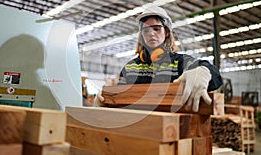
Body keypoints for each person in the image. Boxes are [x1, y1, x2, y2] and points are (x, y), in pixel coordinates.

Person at [94, 6, 223, 112]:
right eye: (146, 30)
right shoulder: (130, 67)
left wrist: (204, 71)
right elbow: (121, 97)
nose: (151, 33)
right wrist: (106, 98)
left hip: (171, 131)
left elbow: (216, 76)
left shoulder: (179, 62)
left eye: (156, 28)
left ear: (167, 32)